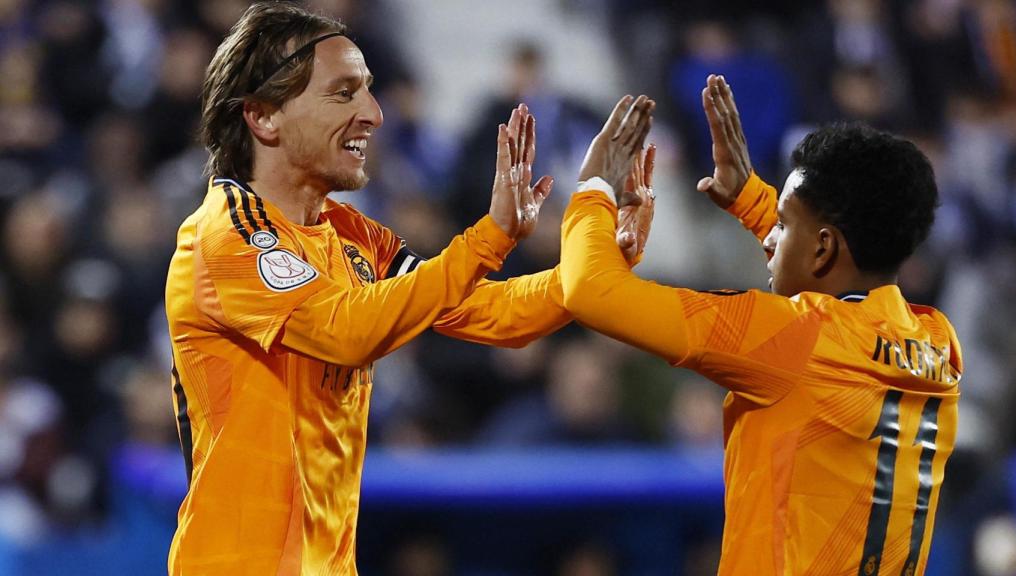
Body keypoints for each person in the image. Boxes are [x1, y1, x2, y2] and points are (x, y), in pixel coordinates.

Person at [165, 3, 652, 575]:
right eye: (343, 93)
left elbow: (492, 315)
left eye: (367, 91)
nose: (373, 113)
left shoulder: (350, 236)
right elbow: (345, 331)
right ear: (264, 116)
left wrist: (598, 258)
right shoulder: (227, 234)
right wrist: (489, 237)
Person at [560, 78, 962, 575]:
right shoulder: (939, 342)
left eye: (783, 222)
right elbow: (827, 271)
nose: (772, 237)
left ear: (823, 246)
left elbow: (589, 290)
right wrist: (751, 199)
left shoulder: (790, 337)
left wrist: (594, 188)